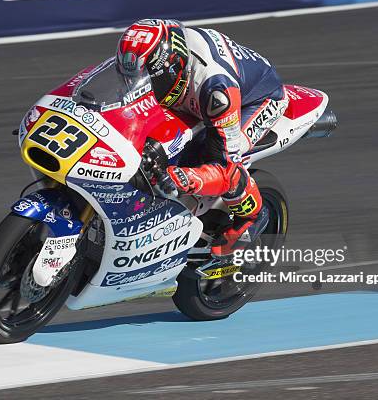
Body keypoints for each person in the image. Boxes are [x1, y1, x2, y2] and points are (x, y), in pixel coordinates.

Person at [116, 19, 289, 258]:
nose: (141, 84)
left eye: (151, 79)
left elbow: (224, 167)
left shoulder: (217, 90)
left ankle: (250, 218)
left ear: (172, 66)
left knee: (217, 162)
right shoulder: (155, 57)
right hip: (195, 94)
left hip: (255, 101)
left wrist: (186, 178)